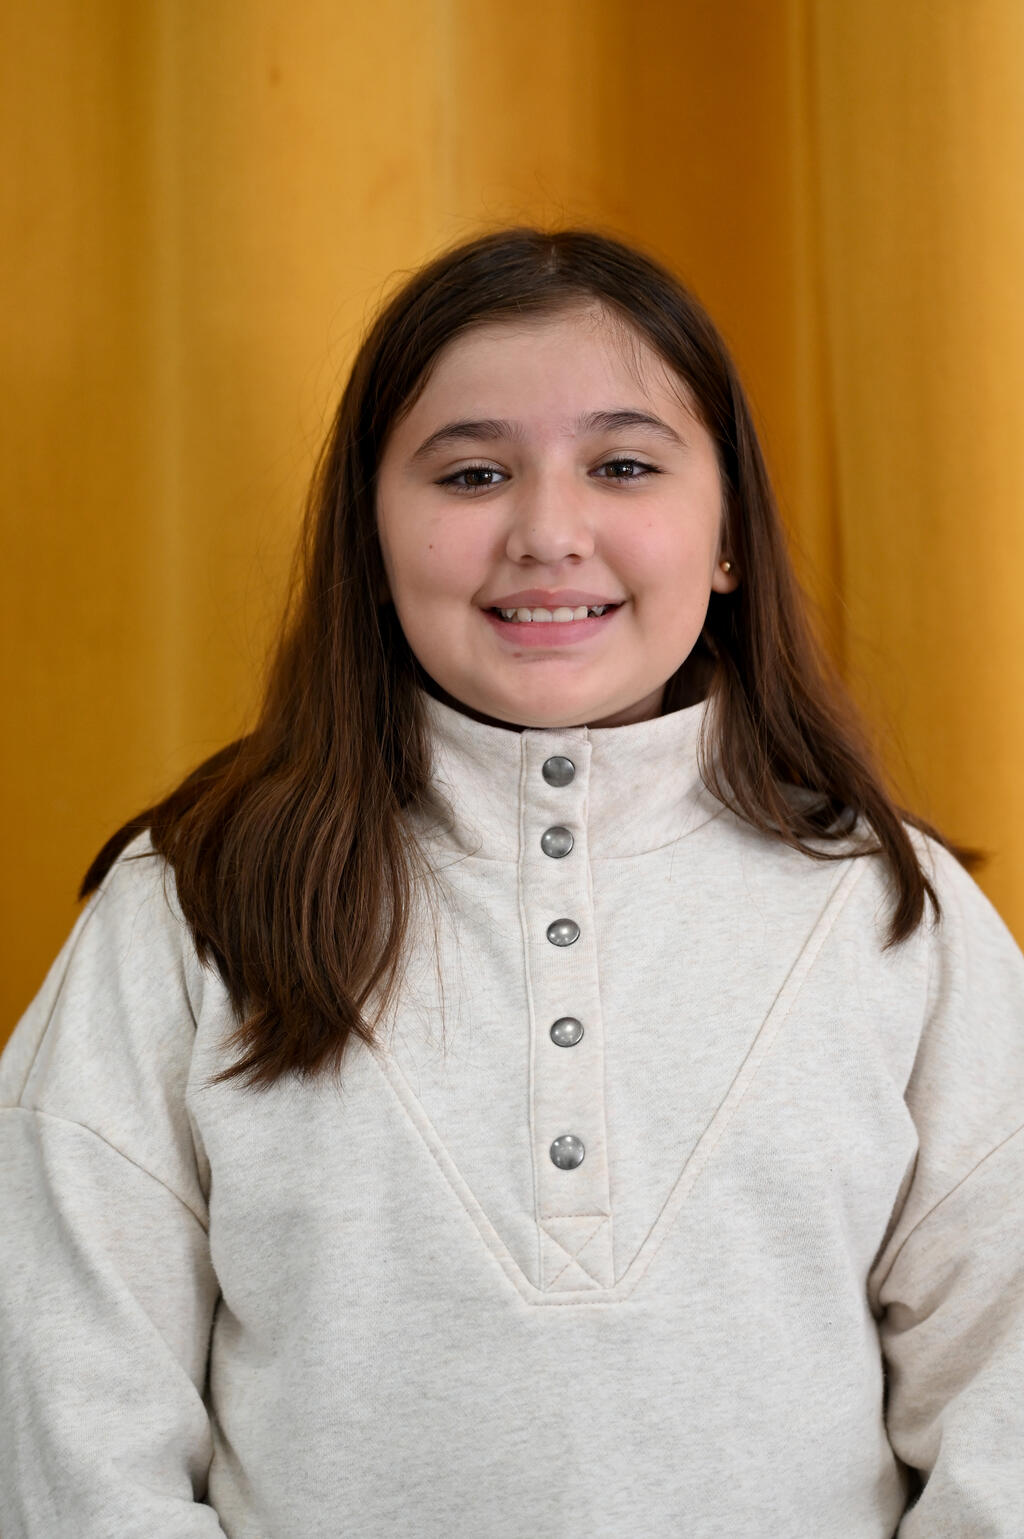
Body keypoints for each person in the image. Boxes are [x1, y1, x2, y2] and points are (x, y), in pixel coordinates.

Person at [1, 226, 1022, 1539]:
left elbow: (1004, 1400)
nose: (548, 533)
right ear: (370, 540)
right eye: (473, 472)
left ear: (728, 536)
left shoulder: (893, 915)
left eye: (624, 465)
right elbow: (70, 1417)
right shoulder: (194, 906)